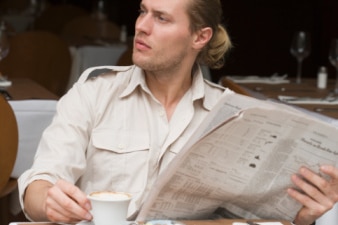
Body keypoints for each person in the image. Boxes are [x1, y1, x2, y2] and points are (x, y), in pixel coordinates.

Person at [18, 0, 338, 225]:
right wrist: (48, 201)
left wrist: (303, 217)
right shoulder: (93, 92)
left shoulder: (230, 113)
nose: (141, 26)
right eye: (143, 11)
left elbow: (253, 216)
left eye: (162, 18)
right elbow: (40, 181)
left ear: (200, 37)